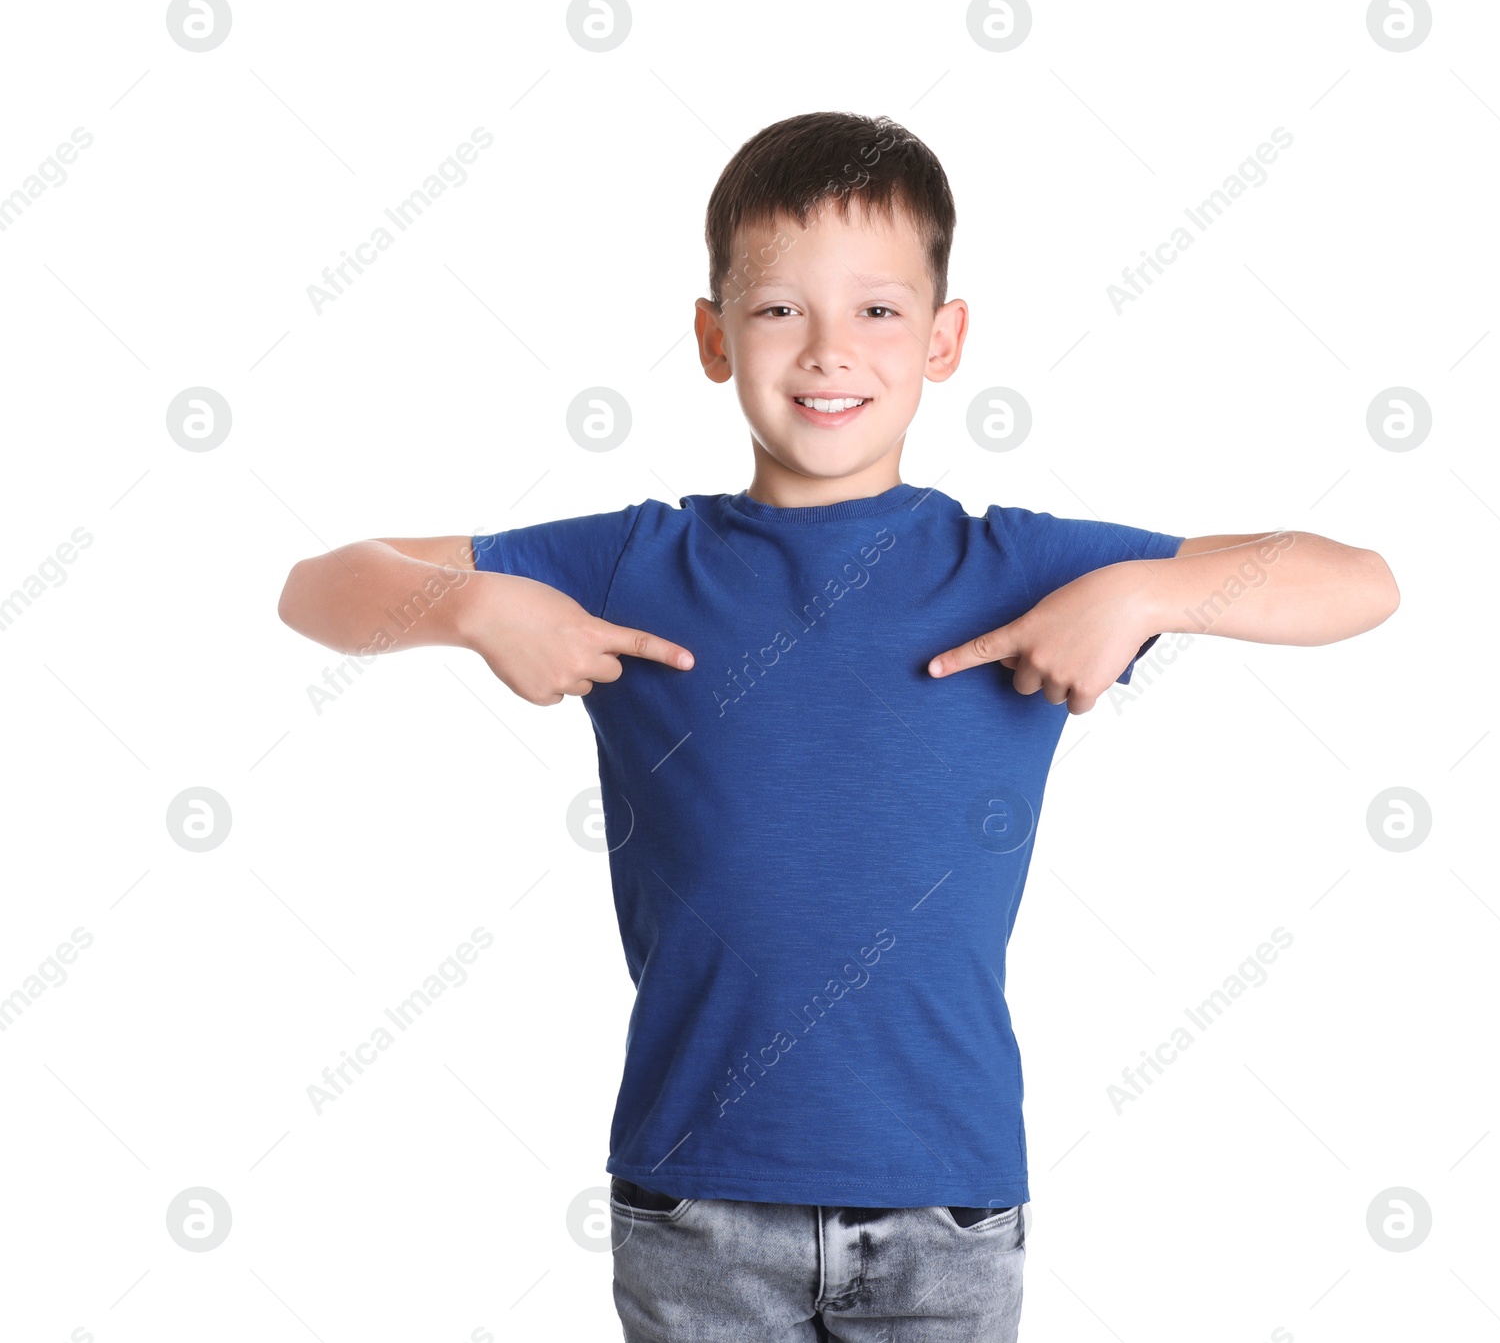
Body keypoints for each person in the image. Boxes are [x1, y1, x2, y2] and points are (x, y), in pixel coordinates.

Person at [277, 110, 1399, 1341]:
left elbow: (1357, 579)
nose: (827, 352)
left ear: (942, 337)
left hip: (947, 1201)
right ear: (712, 337)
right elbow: (320, 585)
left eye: (876, 310)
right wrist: (477, 602)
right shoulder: (637, 557)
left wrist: (1142, 593)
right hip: (695, 1196)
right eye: (776, 311)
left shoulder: (1013, 562)